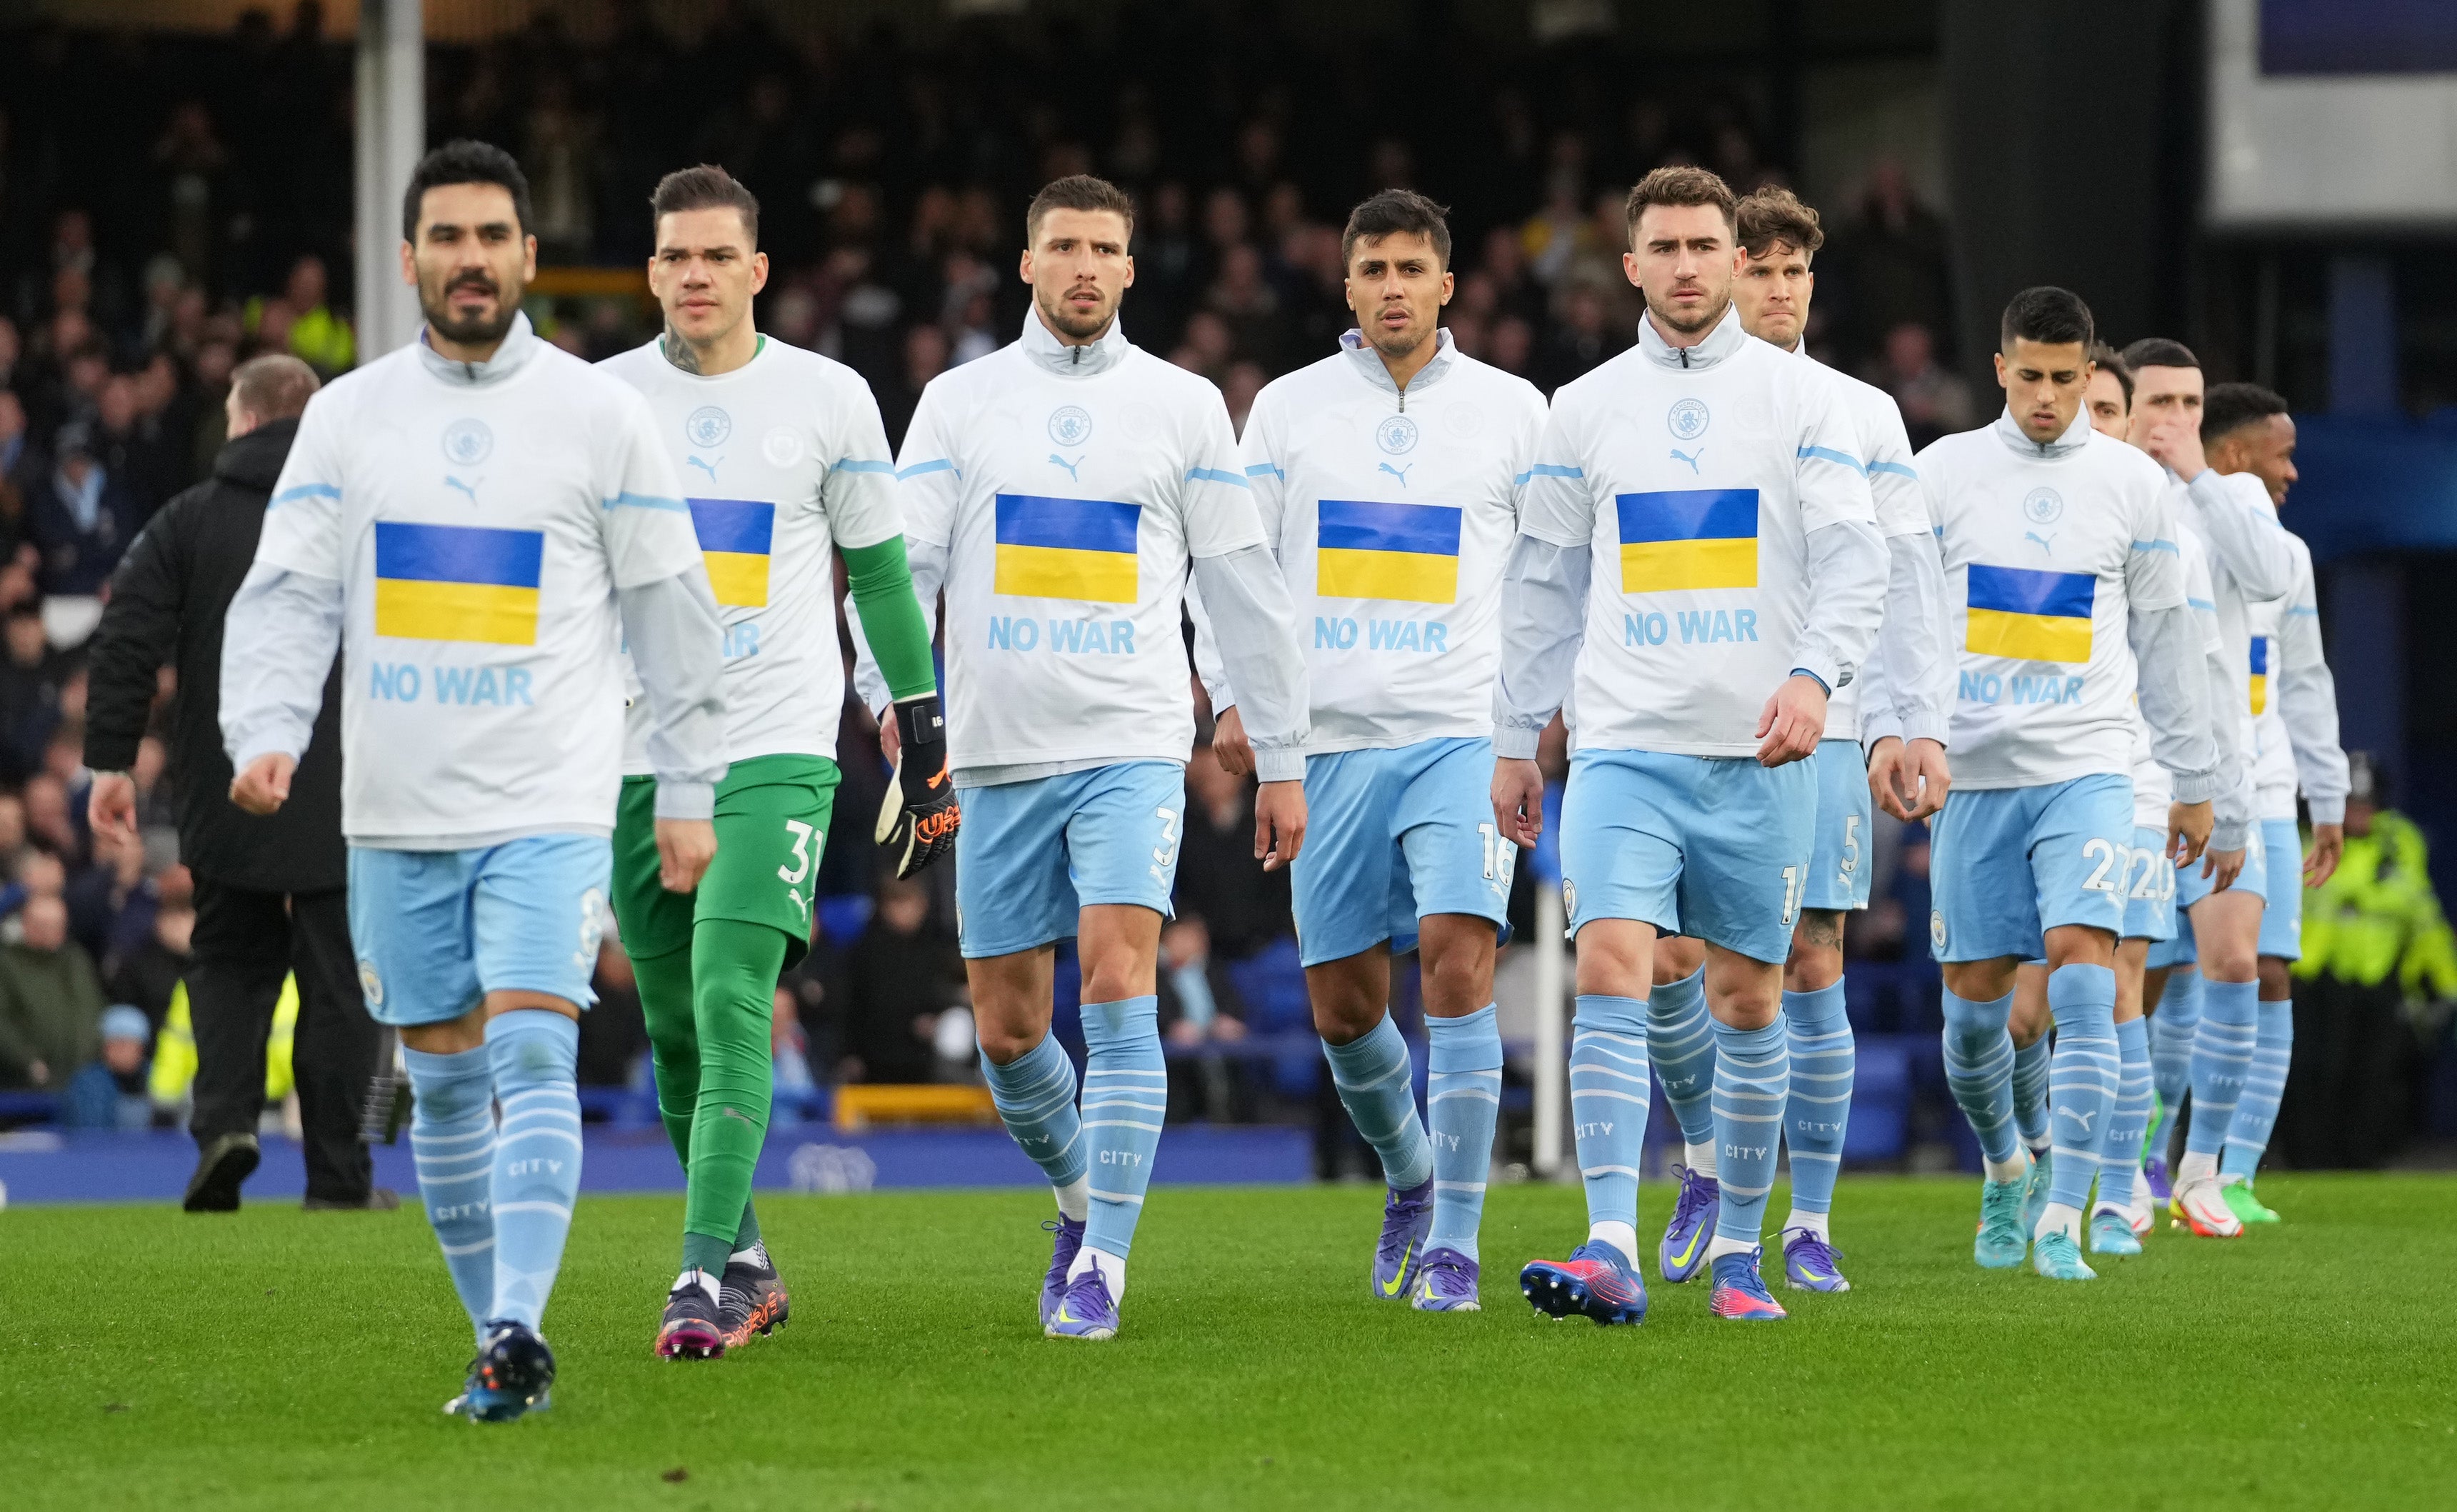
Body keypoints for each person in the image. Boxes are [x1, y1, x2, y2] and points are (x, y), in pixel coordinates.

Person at [218, 140, 726, 1422]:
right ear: (410, 261)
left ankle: (517, 1325)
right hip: (395, 807)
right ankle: (498, 1346)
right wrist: (264, 730)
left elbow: (672, 603)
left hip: (549, 799)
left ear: (528, 257)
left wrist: (685, 779)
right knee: (441, 1076)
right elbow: (284, 593)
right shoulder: (347, 415)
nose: (470, 258)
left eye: (493, 235)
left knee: (533, 1050)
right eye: (446, 237)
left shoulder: (594, 413)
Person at [854, 174, 1310, 1343]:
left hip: (1131, 740)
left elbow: (1240, 581)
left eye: (1107, 247)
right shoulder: (959, 403)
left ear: (1131, 268)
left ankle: (1103, 1257)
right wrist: (894, 702)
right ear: (1026, 263)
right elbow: (899, 570)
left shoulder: (1185, 405)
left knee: (1118, 982)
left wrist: (1279, 743)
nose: (1086, 267)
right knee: (1010, 1031)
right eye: (1065, 246)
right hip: (999, 752)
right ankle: (1074, 1196)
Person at [1493, 165, 1886, 1324]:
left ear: (1733, 257)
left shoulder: (1804, 401)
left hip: (1761, 752)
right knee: (1613, 961)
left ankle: (1740, 1257)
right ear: (1630, 265)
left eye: (1704, 246)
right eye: (1661, 247)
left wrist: (1816, 678)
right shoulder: (1583, 406)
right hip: (1623, 745)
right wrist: (1517, 735)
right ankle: (1610, 1236)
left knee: (1751, 1000)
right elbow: (1543, 584)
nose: (1685, 266)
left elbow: (1858, 559)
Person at [599, 164, 950, 1360]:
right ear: (652, 273)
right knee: (675, 1030)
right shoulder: (598, 404)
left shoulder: (830, 397)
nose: (694, 276)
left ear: (757, 270)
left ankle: (697, 1278)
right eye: (673, 258)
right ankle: (746, 1260)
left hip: (779, 746)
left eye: (716, 257)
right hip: (641, 753)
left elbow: (885, 575)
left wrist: (920, 714)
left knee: (730, 992)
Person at [1197, 189, 1545, 1313]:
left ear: (1450, 285)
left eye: (1413, 268)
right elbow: (1233, 567)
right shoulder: (1288, 412)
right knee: (1346, 1008)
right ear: (1346, 286)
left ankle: (1455, 1236)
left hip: (1460, 729)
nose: (1394, 286)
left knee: (1457, 956)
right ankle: (1409, 1172)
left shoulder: (1514, 412)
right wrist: (1236, 696)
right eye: (1374, 269)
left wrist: (1537, 716)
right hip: (1327, 740)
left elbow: (1552, 575)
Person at [1633, 185, 1952, 1298]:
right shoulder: (1680, 403)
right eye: (1756, 269)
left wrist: (1910, 721)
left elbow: (1908, 577)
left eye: (1792, 272)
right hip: (1680, 719)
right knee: (1669, 957)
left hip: (1830, 726)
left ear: (1812, 284)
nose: (1774, 289)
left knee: (1809, 960)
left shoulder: (1861, 411)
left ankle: (1807, 1221)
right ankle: (1710, 1164)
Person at [1918, 289, 2237, 1283]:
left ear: (2088, 369)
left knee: (2086, 973)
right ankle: (2008, 1164)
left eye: (2067, 378)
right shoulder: (1941, 475)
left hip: (2092, 767)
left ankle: (2066, 1213)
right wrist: (1903, 734)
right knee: (1975, 1020)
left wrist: (2193, 777)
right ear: (2002, 366)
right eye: (2032, 375)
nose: (2049, 396)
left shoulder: (2133, 486)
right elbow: (1906, 625)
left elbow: (2169, 641)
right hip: (1975, 774)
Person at [84, 352, 386, 1213]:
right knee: (341, 984)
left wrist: (112, 760)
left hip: (227, 779)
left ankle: (224, 1126)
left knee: (226, 962)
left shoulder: (187, 520)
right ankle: (341, 1178)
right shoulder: (362, 514)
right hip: (348, 787)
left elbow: (126, 635)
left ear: (243, 418)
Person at [2116, 338, 2296, 1240]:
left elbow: (2271, 575)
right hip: (2126, 776)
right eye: (2158, 403)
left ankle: (2201, 1170)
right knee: (2134, 985)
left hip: (2224, 772)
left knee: (2230, 962)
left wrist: (2200, 478)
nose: (2175, 420)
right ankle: (2121, 1161)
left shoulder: (2219, 497)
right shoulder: (2103, 489)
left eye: (2190, 404)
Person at [2207, 381, 2347, 1222]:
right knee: (2164, 978)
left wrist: (2321, 792)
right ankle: (2148, 1166)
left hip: (2262, 784)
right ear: (2230, 457)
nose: (2291, 470)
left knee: (2264, 970)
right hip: (2177, 786)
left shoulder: (2286, 558)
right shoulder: (2174, 537)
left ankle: (2233, 1174)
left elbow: (2303, 680)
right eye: (2280, 452)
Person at [0, 892, 105, 1091]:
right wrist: (28, 1061)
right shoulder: (7, 963)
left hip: (78, 1078)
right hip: (20, 1082)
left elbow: (91, 1010)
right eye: (44, 925)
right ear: (26, 924)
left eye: (58, 925)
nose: (52, 932)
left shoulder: (76, 960)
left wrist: (86, 1059)